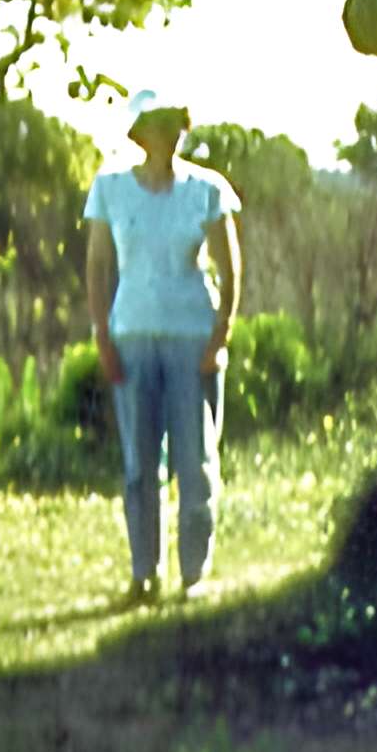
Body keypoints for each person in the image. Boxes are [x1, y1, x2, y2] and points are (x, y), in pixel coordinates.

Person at [82, 90, 243, 599]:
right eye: (155, 125)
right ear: (138, 134)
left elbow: (230, 266)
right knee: (140, 465)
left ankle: (193, 574)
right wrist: (102, 335)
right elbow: (98, 265)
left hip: (192, 339)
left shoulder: (206, 189)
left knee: (195, 462)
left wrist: (220, 334)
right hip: (132, 336)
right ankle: (143, 573)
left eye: (173, 124)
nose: (165, 135)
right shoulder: (110, 189)